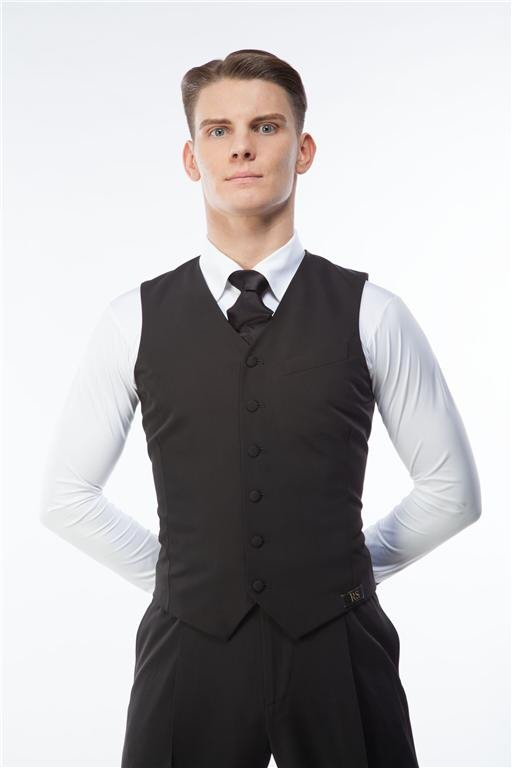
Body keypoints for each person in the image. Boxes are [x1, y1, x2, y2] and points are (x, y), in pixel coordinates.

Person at [40, 49, 482, 768]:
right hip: (188, 649)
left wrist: (343, 577)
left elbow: (452, 492)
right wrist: (182, 583)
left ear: (303, 150)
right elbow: (65, 496)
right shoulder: (132, 321)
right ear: (192, 158)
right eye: (218, 130)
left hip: (340, 647)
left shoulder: (373, 312)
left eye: (266, 126)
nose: (241, 146)